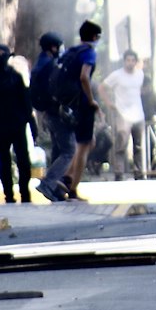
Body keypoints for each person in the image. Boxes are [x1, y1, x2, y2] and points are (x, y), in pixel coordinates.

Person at [0, 44, 40, 204]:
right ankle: (24, 195)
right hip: (16, 126)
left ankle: (10, 195)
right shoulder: (15, 77)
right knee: (21, 161)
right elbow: (27, 104)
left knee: (6, 162)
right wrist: (32, 126)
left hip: (0, 126)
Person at [56, 20, 103, 201]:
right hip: (82, 104)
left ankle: (67, 176)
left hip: (69, 104)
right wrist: (91, 100)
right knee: (83, 146)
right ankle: (72, 186)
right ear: (93, 37)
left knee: (88, 142)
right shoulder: (89, 53)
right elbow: (84, 76)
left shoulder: (71, 51)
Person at [31, 31, 73, 202]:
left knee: (58, 149)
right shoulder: (50, 65)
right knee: (70, 151)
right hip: (56, 112)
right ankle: (48, 183)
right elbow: (57, 88)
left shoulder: (41, 63)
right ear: (53, 47)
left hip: (48, 113)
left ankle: (56, 190)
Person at [100, 49, 147, 180]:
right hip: (122, 113)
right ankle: (119, 172)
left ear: (136, 62)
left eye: (133, 60)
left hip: (138, 113)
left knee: (138, 145)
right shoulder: (117, 75)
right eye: (128, 60)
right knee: (121, 143)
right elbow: (102, 87)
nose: (130, 63)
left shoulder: (140, 74)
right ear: (124, 61)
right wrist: (109, 103)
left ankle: (138, 172)